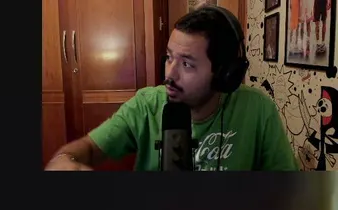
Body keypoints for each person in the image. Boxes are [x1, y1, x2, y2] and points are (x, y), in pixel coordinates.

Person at [45, 6, 298, 171]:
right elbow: (87, 149)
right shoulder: (146, 105)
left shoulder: (258, 109)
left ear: (224, 74)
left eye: (187, 64)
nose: (169, 74)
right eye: (168, 57)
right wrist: (64, 161)